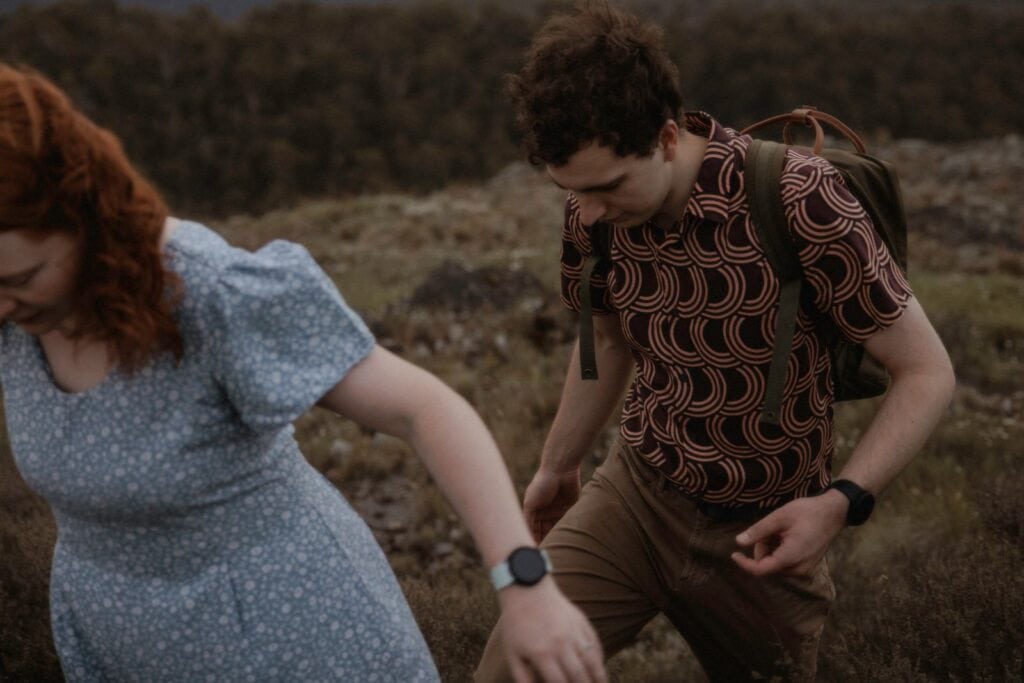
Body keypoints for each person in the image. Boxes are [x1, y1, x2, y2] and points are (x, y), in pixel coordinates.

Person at [0, 64, 608, 683]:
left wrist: (524, 584)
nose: (3, 305)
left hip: (289, 637)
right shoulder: (13, 312)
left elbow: (426, 410)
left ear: (87, 218)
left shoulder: (212, 295)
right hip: (120, 643)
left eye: (19, 279)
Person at [475, 4, 955, 681]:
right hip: (636, 495)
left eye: (609, 186)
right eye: (571, 191)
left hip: (764, 533)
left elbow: (927, 371)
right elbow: (611, 345)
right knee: (512, 669)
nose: (589, 209)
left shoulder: (799, 197)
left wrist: (841, 501)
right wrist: (559, 464)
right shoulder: (592, 213)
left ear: (667, 138)